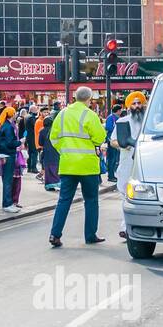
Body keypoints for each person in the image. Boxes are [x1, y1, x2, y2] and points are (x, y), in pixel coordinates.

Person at [48, 85, 107, 247]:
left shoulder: (62, 114)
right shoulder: (90, 115)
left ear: (74, 97)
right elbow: (99, 138)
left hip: (67, 164)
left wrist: (64, 151)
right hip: (87, 165)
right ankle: (90, 235)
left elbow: (53, 138)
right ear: (89, 99)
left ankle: (55, 234)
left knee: (64, 200)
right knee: (91, 200)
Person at [110, 90, 146, 239]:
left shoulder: (149, 120)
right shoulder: (122, 122)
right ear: (128, 106)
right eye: (134, 103)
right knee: (126, 195)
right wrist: (122, 145)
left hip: (145, 162)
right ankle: (125, 227)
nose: (137, 106)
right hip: (127, 162)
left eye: (139, 103)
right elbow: (112, 141)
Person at [0, 105, 21, 213]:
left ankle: (8, 203)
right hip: (8, 155)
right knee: (8, 180)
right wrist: (20, 142)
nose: (16, 115)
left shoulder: (3, 125)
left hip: (3, 154)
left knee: (7, 180)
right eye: (14, 113)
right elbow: (10, 143)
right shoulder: (9, 127)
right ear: (12, 115)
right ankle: (7, 204)